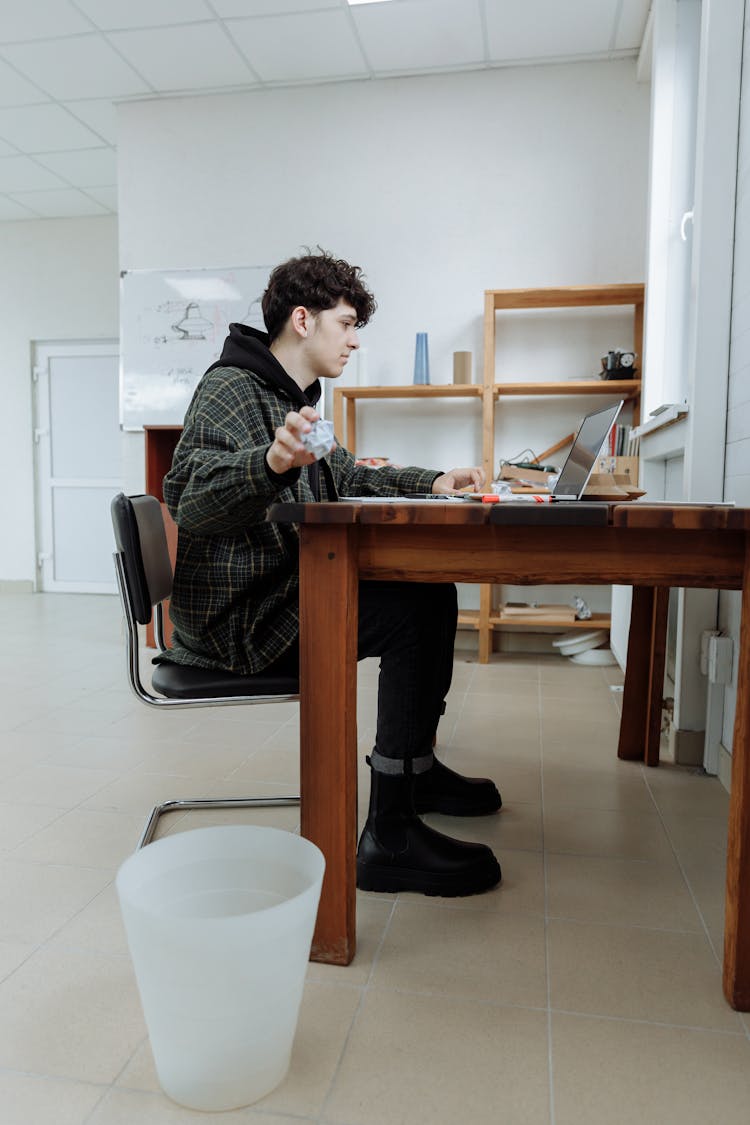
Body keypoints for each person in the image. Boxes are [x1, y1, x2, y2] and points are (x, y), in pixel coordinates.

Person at [161, 250, 502, 897]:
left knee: (430, 591)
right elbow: (189, 498)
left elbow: (348, 475)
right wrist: (266, 463)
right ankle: (390, 835)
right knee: (409, 614)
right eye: (345, 324)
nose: (352, 340)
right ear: (302, 319)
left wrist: (432, 479)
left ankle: (413, 771)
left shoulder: (294, 398)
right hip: (241, 622)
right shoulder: (231, 388)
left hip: (274, 592)